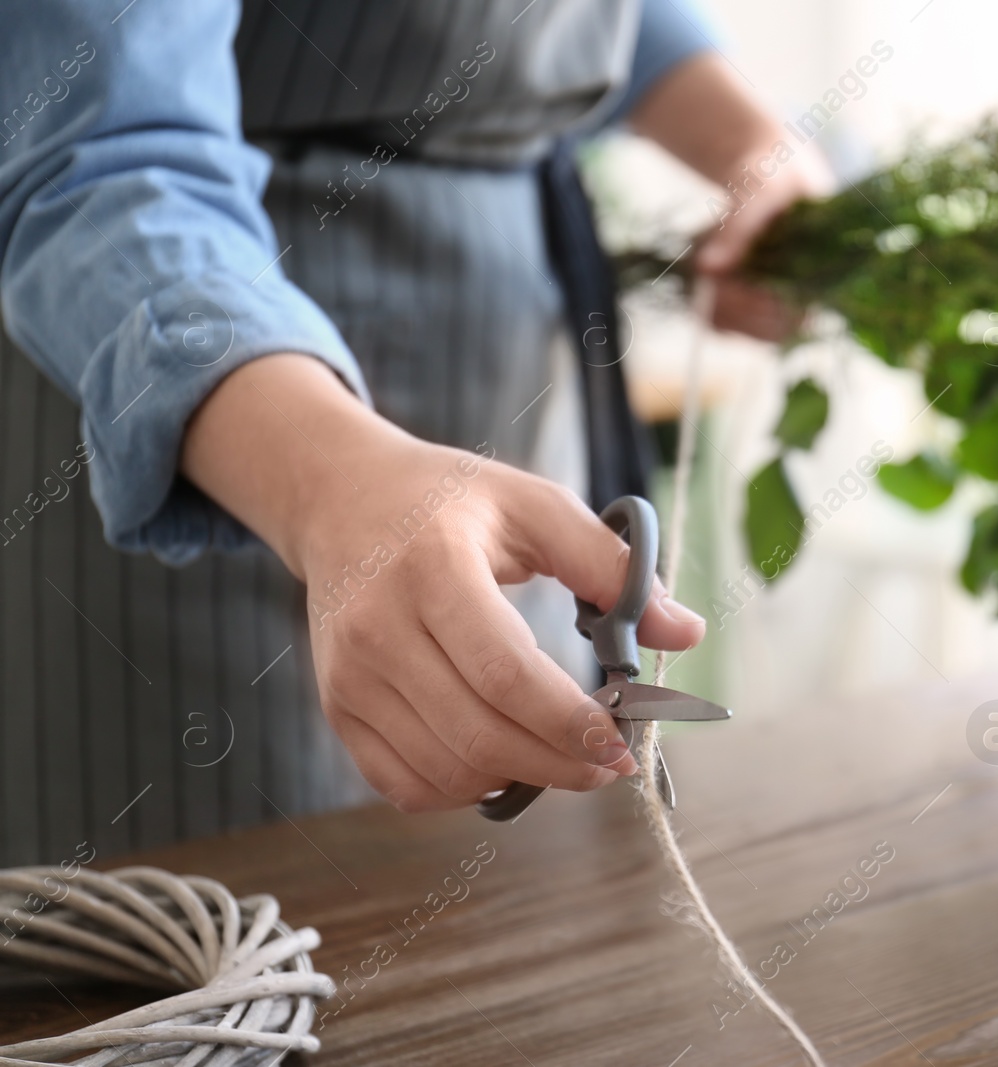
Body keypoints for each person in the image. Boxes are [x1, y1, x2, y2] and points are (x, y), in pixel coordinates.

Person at [0, 0, 830, 866]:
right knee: (225, 931)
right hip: (206, 402)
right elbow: (91, 148)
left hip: (515, 389)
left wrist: (752, 146)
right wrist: (328, 484)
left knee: (509, 870)